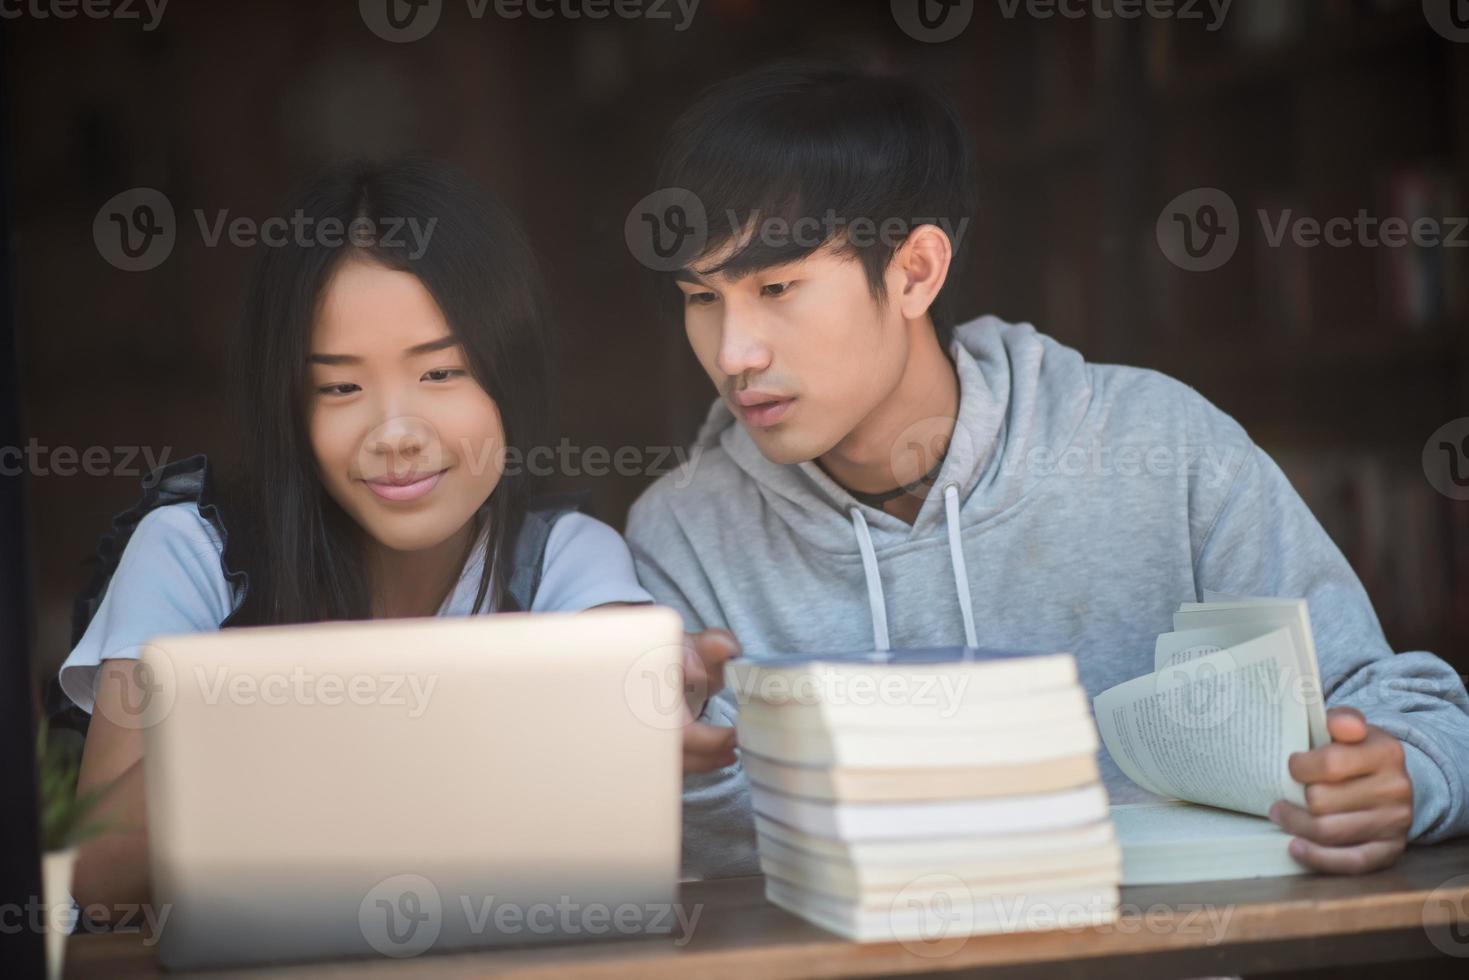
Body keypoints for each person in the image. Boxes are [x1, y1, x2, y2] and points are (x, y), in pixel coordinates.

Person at [625, 61, 1469, 880]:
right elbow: (721, 859)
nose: (733, 353)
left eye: (775, 288)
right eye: (702, 298)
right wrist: (684, 780)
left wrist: (1400, 775)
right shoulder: (688, 530)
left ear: (915, 269)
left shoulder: (1156, 445)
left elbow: (1405, 705)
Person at [54, 158, 730, 910]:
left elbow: (623, 655)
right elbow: (98, 882)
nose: (395, 433)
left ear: (512, 375)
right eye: (339, 387)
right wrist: (272, 709)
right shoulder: (191, 553)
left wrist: (650, 690)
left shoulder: (560, 556)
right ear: (289, 408)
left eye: (440, 374)